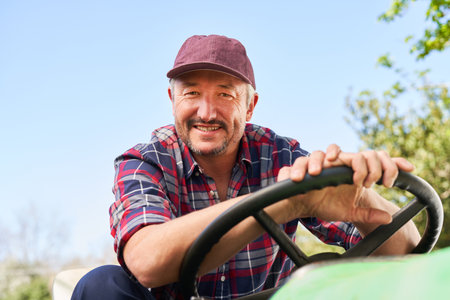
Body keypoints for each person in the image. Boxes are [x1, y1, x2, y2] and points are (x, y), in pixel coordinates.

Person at [72, 34, 420, 300]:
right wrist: (284, 204)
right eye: (192, 93)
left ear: (250, 106)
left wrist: (363, 198)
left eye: (225, 94)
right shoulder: (144, 162)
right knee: (101, 285)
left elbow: (410, 255)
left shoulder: (284, 156)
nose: (206, 112)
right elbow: (146, 263)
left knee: (336, 276)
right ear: (172, 100)